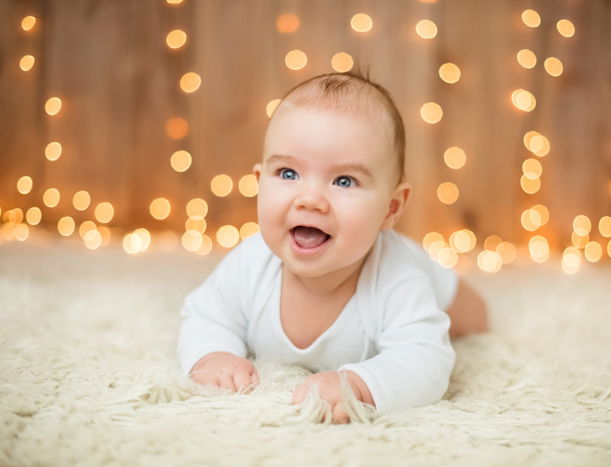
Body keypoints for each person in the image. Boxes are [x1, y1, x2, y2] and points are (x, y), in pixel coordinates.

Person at [177, 71, 488, 424]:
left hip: (438, 285)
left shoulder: (398, 278)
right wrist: (213, 355)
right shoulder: (250, 264)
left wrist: (358, 385)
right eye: (288, 173)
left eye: (344, 180)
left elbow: (426, 361)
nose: (310, 199)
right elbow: (206, 315)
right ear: (259, 183)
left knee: (473, 320)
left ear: (391, 208)